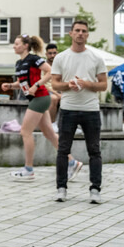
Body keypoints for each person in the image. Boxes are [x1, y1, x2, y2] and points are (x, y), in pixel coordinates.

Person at [1, 34, 82, 181]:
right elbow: (23, 82)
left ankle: (29, 169)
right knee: (49, 134)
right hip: (36, 98)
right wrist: (11, 86)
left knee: (25, 132)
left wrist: (37, 85)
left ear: (26, 46)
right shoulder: (19, 63)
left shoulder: (33, 59)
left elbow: (50, 72)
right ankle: (72, 162)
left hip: (40, 98)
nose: (14, 46)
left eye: (17, 43)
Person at [50, 20, 108, 204]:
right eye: (77, 31)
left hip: (90, 109)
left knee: (94, 151)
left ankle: (95, 190)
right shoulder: (61, 57)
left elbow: (103, 85)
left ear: (87, 35)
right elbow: (55, 84)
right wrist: (68, 85)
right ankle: (61, 188)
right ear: (71, 34)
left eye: (83, 31)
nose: (80, 34)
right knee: (63, 150)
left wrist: (86, 84)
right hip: (68, 109)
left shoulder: (96, 57)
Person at [45, 42, 61, 121]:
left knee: (73, 98)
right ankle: (52, 124)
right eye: (50, 53)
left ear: (57, 53)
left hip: (58, 90)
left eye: (54, 53)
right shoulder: (43, 66)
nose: (52, 55)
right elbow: (42, 85)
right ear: (46, 54)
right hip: (46, 91)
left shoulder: (60, 65)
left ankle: (73, 126)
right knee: (54, 98)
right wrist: (56, 93)